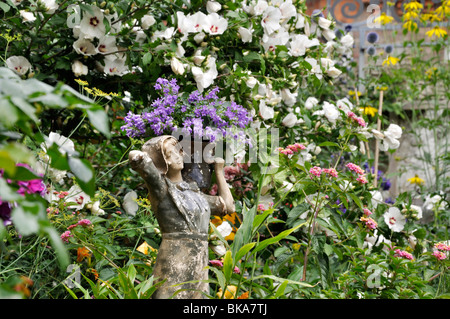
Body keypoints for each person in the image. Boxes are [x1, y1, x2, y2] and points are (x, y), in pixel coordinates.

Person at [128, 135, 234, 299]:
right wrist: (157, 154)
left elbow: (228, 206)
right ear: (164, 161)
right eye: (173, 153)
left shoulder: (195, 194)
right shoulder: (162, 189)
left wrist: (219, 171)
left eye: (180, 151)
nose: (180, 155)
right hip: (174, 261)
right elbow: (137, 157)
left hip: (199, 264)